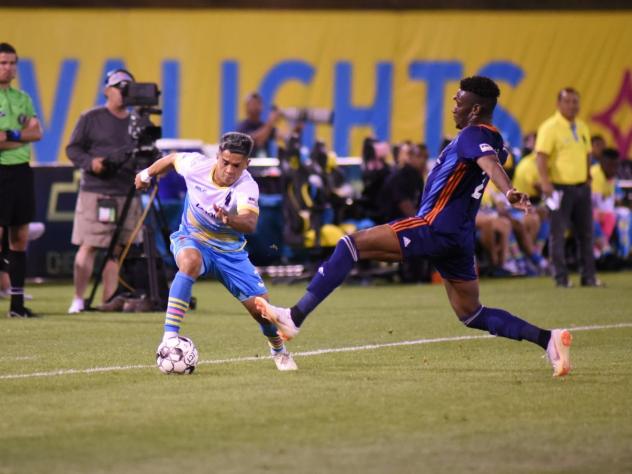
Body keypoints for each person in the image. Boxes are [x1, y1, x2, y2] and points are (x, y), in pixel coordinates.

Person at [256, 76, 572, 378]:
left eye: (459, 100)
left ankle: (294, 317)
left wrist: (507, 191)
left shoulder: (473, 135)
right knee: (471, 313)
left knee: (350, 245)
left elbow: (490, 163)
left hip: (433, 226)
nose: (453, 105)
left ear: (475, 109)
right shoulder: (492, 138)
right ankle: (548, 339)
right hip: (459, 237)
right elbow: (494, 156)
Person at [135, 132, 297, 371]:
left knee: (261, 310)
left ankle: (278, 349)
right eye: (226, 162)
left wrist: (228, 219)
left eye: (237, 165)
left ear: (247, 164)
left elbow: (250, 223)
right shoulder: (195, 166)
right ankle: (170, 337)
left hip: (229, 253)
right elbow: (171, 159)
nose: (230, 170)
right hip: (192, 237)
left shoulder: (247, 186)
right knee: (189, 262)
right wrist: (146, 174)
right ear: (218, 156)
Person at [66, 68, 143, 313]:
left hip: (126, 191)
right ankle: (78, 298)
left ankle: (108, 300)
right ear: (106, 90)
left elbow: (145, 152)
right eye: (119, 88)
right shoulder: (91, 117)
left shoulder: (137, 121)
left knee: (117, 249)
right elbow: (73, 149)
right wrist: (91, 163)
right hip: (97, 191)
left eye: (127, 89)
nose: (123, 93)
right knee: (89, 244)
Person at [535, 87, 602, 288]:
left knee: (586, 233)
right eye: (569, 101)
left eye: (576, 101)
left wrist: (589, 176)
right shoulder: (550, 127)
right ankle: (561, 277)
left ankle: (588, 276)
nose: (573, 106)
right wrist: (546, 183)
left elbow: (587, 153)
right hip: (559, 188)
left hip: (582, 188)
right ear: (559, 104)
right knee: (559, 233)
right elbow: (541, 157)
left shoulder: (581, 127)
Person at [0, 42, 43, 318]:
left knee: (20, 237)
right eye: (3, 62)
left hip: (21, 171)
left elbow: (37, 132)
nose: (9, 68)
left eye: (12, 62)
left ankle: (17, 305)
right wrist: (20, 134)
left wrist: (12, 136)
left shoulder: (22, 97)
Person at [236, 92, 280, 157]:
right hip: (249, 165)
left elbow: (282, 136)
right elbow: (258, 141)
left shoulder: (264, 125)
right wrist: (270, 122)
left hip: (265, 165)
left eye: (259, 103)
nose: (256, 107)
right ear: (247, 106)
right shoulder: (242, 127)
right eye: (253, 104)